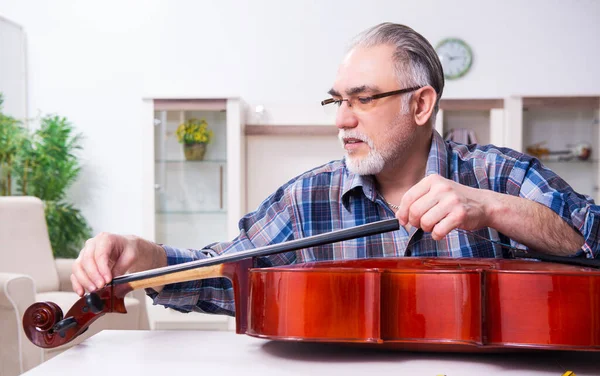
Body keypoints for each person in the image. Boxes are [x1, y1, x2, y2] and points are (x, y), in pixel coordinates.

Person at [70, 22, 599, 316]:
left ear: (420, 105)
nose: (343, 119)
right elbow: (228, 272)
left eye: (363, 100)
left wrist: (496, 210)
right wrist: (147, 257)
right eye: (337, 101)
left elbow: (591, 238)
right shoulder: (307, 199)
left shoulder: (498, 177)